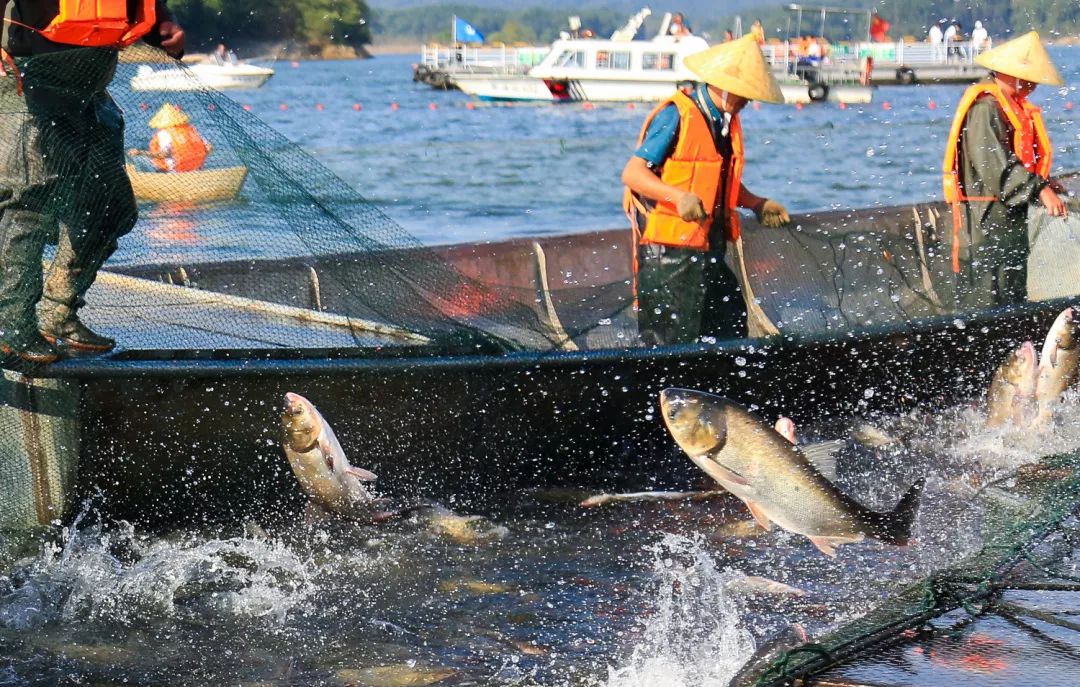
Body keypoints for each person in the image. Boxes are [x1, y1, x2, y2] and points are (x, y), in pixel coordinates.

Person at [0, 1, 185, 364]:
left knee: (108, 206)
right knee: (28, 201)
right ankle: (10, 327)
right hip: (24, 77)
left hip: (89, 83)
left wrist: (164, 22)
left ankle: (57, 313)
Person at [622, 36, 791, 346]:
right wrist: (678, 197)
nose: (747, 102)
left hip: (709, 250)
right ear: (721, 86)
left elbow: (718, 180)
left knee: (730, 327)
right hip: (668, 257)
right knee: (670, 345)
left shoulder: (725, 121)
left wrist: (755, 203)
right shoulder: (676, 115)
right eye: (744, 94)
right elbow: (633, 173)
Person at [942, 31, 1069, 310]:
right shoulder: (985, 109)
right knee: (988, 306)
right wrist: (1039, 188)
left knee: (1012, 306)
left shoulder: (1008, 107)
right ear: (1011, 73)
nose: (1035, 83)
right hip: (984, 228)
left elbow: (1013, 164)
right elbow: (996, 171)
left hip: (1005, 225)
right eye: (1031, 76)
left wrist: (1045, 183)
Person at [129, 103, 211, 173]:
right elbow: (209, 147)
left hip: (175, 170)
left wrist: (139, 152)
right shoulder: (190, 129)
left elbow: (163, 154)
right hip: (196, 168)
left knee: (136, 158)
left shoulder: (164, 133)